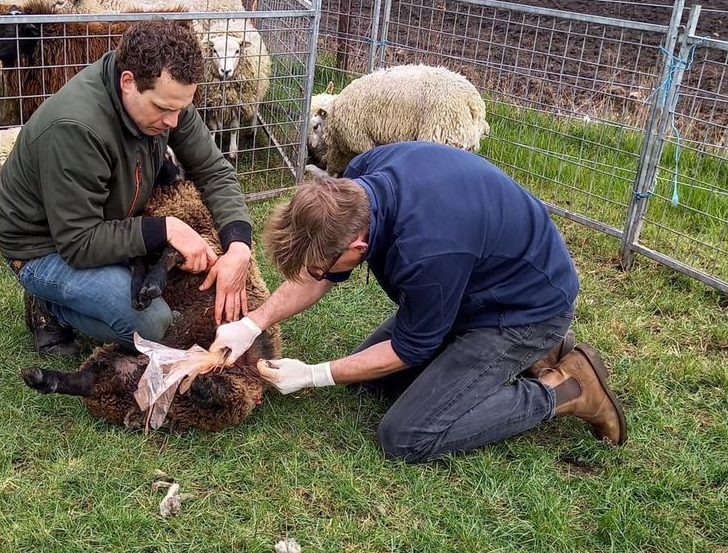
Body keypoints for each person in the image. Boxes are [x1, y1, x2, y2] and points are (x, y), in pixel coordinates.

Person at [211, 142, 626, 463]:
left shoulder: (427, 252)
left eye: (320, 270)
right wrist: (251, 324)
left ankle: (567, 388)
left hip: (522, 312)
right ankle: (538, 353)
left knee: (407, 435)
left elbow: (411, 347)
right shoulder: (359, 181)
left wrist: (315, 374)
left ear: (357, 245)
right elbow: (327, 273)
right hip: (472, 286)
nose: (319, 277)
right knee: (371, 379)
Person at [0, 21, 254, 355]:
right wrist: (165, 229)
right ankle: (49, 306)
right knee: (153, 324)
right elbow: (77, 242)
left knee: (171, 288)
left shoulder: (165, 98)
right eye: (163, 109)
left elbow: (214, 170)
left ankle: (94, 290)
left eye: (181, 108)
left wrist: (238, 246)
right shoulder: (76, 128)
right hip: (43, 246)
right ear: (128, 82)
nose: (173, 122)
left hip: (106, 220)